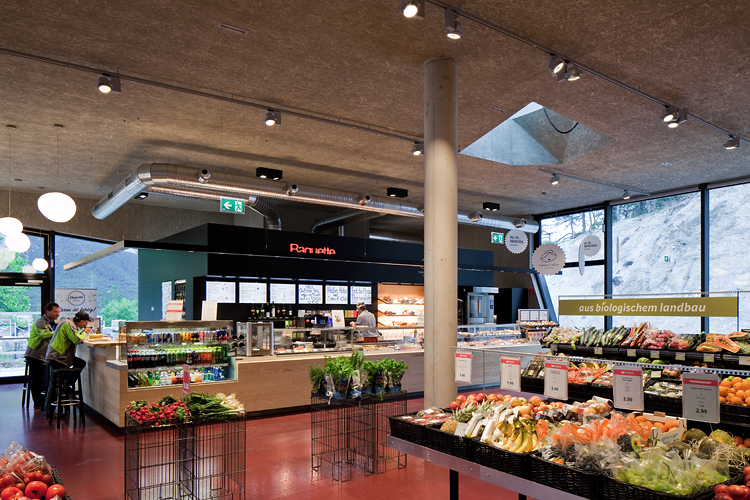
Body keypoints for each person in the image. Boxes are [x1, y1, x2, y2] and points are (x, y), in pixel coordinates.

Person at [44, 310, 91, 418]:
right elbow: (77, 340)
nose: (86, 325)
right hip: (58, 356)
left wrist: (82, 332)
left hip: (60, 356)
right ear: (81, 321)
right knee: (54, 384)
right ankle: (49, 412)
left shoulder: (67, 322)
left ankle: (66, 386)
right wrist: (85, 332)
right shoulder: (69, 324)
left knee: (80, 363)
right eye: (85, 323)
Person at [25, 302, 60, 410]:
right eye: (55, 312)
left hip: (43, 356)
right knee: (37, 380)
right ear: (47, 312)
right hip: (34, 354)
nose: (57, 314)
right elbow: (44, 334)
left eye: (58, 312)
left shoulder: (51, 322)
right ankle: (37, 403)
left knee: (43, 379)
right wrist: (59, 331)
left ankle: (43, 402)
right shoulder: (40, 322)